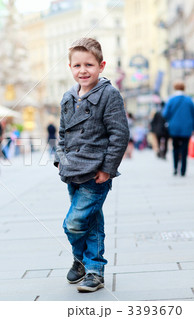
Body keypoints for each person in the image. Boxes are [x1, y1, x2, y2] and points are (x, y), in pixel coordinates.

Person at [54, 38, 129, 292]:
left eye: (89, 64)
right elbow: (62, 133)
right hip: (72, 171)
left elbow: (119, 134)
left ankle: (83, 261)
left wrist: (107, 168)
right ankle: (92, 269)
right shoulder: (68, 96)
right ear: (70, 67)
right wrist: (60, 160)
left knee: (73, 223)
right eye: (77, 65)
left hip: (96, 172)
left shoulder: (109, 94)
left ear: (101, 66)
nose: (83, 70)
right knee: (91, 220)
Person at [163, 81, 194, 176]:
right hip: (187, 128)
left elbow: (165, 114)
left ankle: (175, 168)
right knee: (184, 149)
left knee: (175, 148)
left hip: (174, 127)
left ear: (175, 88)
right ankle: (183, 170)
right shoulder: (189, 100)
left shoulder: (171, 100)